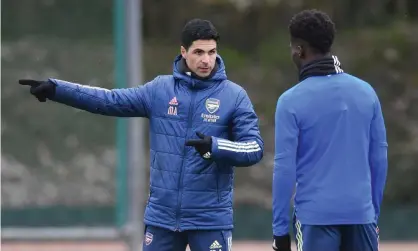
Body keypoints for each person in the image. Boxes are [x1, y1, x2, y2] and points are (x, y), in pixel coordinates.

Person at [19, 18, 264, 251]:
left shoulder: (234, 96)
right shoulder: (159, 89)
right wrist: (57, 90)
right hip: (162, 219)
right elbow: (109, 100)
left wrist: (216, 147)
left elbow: (254, 148)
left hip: (210, 220)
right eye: (199, 52)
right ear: (183, 51)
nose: (206, 60)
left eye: (211, 52)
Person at [271, 9, 388, 251]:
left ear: (300, 50)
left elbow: (284, 169)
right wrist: (372, 214)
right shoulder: (366, 92)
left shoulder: (290, 101)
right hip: (361, 215)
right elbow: (379, 158)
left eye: (293, 48)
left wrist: (280, 232)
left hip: (315, 217)